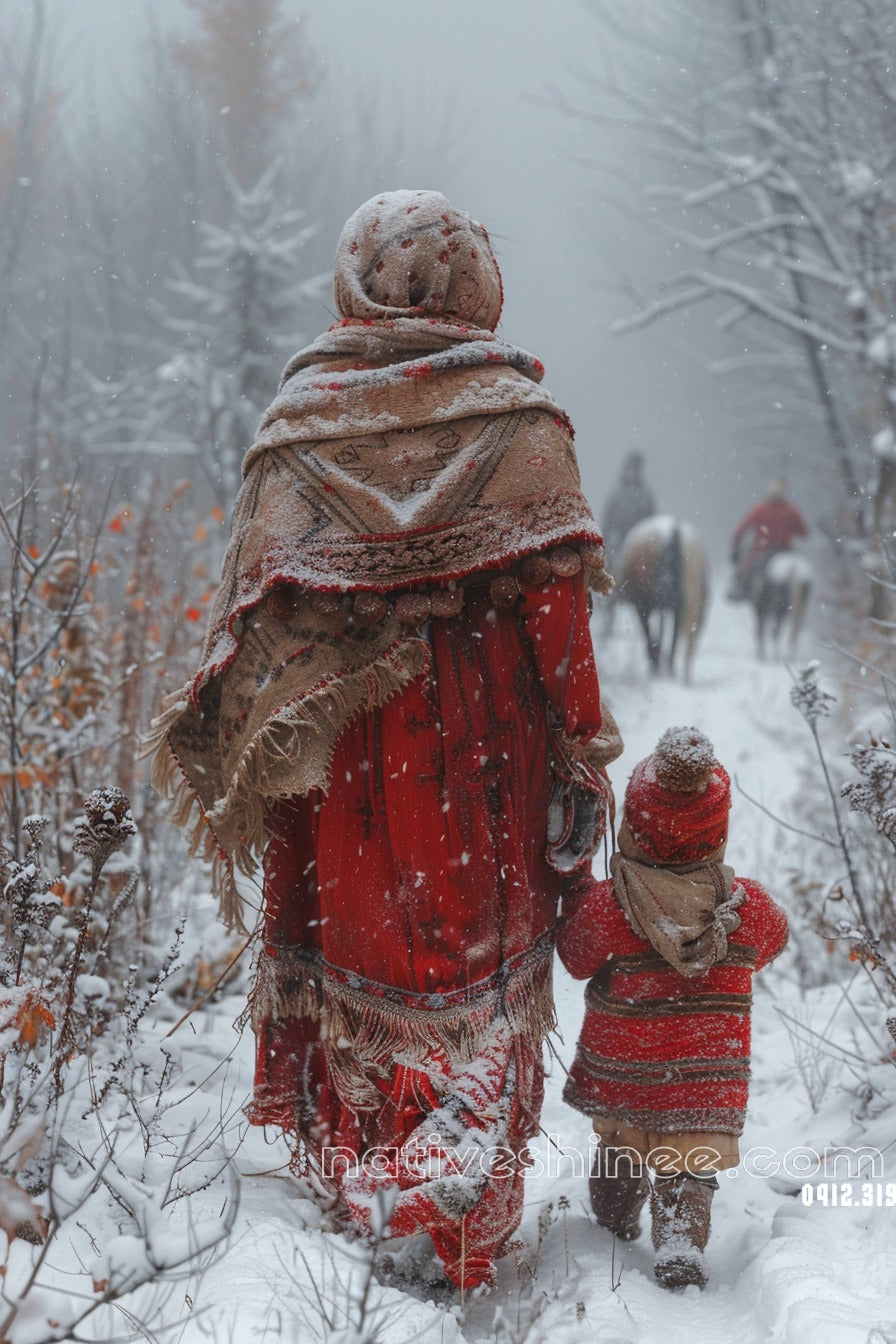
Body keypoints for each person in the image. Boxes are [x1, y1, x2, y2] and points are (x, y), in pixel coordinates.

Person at [149, 189, 621, 1290]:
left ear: (357, 277)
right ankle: (449, 1210)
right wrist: (581, 745)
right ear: (472, 288)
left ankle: (369, 1187)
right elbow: (558, 620)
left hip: (347, 756)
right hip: (483, 755)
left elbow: (256, 614)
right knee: (473, 977)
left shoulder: (301, 427)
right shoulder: (517, 426)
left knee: (360, 961)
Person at [556, 727, 788, 1291]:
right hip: (705, 1085)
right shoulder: (746, 908)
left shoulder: (612, 908)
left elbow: (575, 955)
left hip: (627, 1078)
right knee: (689, 1170)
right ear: (718, 832)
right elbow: (774, 941)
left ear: (634, 827)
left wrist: (581, 886)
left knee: (619, 1153)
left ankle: (611, 1226)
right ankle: (681, 1240)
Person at [729, 478, 809, 599]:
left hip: (763, 551)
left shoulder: (760, 509)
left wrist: (735, 547)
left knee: (744, 570)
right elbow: (804, 532)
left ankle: (740, 591)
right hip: (786, 550)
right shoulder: (791, 510)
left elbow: (741, 529)